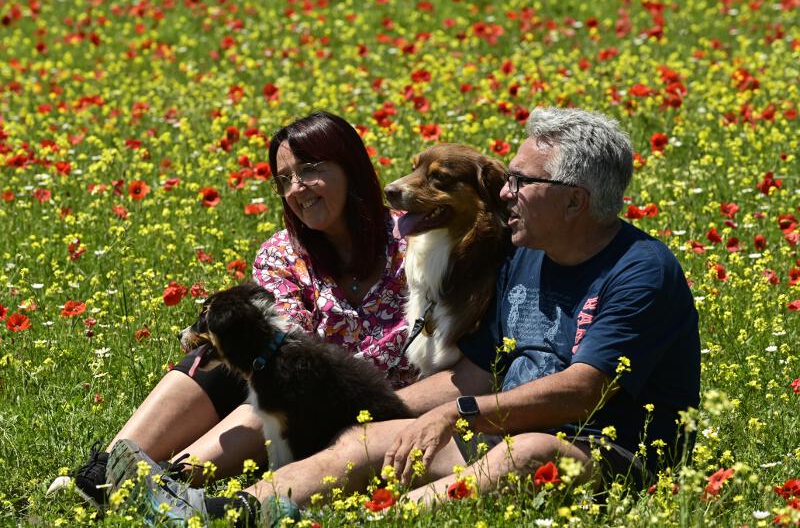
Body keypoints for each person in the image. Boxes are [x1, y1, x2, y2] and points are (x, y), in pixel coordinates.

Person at [108, 107, 701, 523]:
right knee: (371, 437)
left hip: (607, 456)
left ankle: (375, 522)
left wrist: (459, 415)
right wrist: (372, 410)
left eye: (523, 181)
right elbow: (471, 370)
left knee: (530, 453)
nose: (504, 192)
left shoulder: (639, 271)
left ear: (576, 198)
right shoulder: (526, 258)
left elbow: (583, 391)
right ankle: (232, 513)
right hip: (502, 430)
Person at [48, 111, 418, 520]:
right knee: (224, 353)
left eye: (310, 170)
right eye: (285, 179)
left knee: (279, 380)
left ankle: (166, 481)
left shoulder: (411, 242)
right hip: (290, 390)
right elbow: (283, 352)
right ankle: (111, 470)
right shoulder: (282, 254)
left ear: (350, 167)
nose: (297, 189)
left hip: (368, 405)